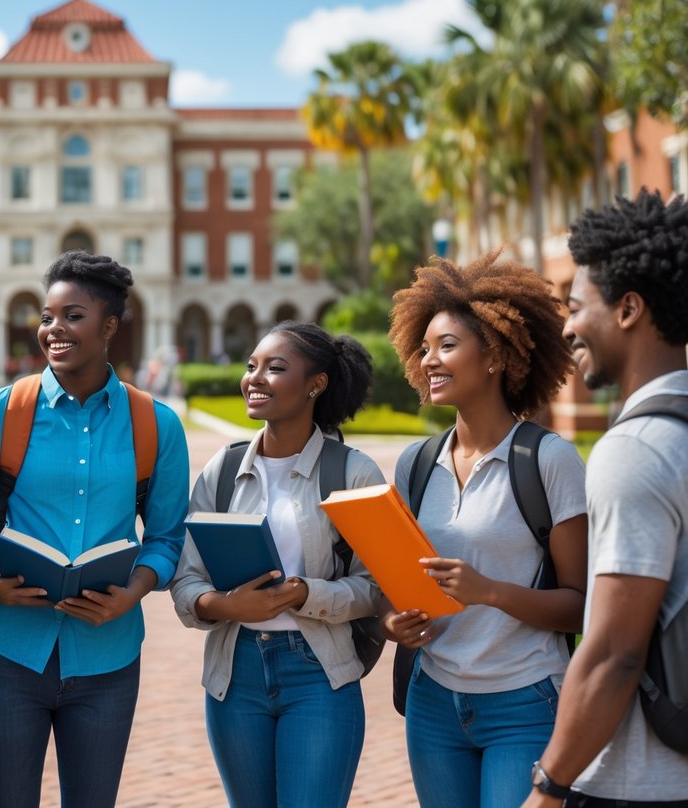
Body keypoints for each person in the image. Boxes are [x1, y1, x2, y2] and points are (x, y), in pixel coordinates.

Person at [0, 250, 189, 808]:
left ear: (110, 326)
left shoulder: (155, 424)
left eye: (73, 315)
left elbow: (166, 538)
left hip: (108, 658)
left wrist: (133, 593)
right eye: (47, 316)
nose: (54, 329)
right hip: (10, 653)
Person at [385, 251, 589, 808]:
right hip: (432, 701)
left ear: (496, 354)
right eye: (423, 348)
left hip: (524, 702)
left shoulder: (550, 461)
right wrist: (394, 622)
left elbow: (582, 605)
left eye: (446, 346)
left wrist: (489, 593)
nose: (429, 360)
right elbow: (396, 584)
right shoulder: (415, 464)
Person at [171, 322, 384, 808]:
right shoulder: (221, 472)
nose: (255, 378)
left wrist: (307, 594)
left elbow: (376, 587)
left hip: (317, 673)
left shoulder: (353, 472)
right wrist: (222, 604)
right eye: (252, 366)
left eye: (275, 368)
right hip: (234, 673)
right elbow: (185, 576)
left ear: (316, 383)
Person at [522, 190, 688, 808]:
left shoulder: (638, 448)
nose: (567, 327)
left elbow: (615, 653)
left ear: (629, 310)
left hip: (643, 782)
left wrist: (548, 786)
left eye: (575, 306)